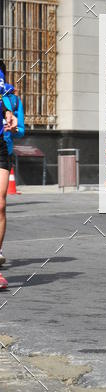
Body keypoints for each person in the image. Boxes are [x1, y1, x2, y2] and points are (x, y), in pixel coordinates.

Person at [0, 63, 20, 290]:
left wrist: (8, 114)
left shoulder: (0, 76)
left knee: (1, 204)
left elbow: (1, 101)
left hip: (0, 144)